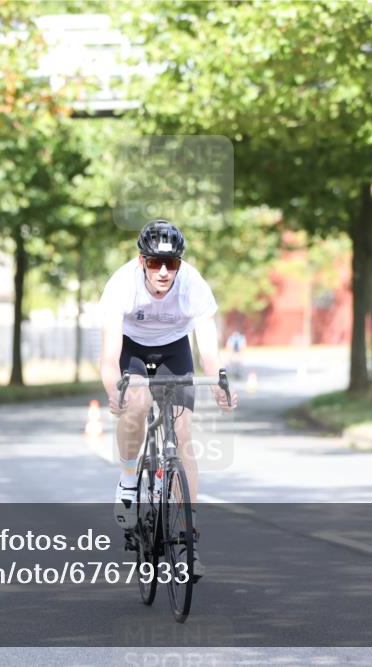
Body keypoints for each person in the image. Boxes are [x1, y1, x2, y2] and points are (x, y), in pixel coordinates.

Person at [99, 219, 238, 579]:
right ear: (141, 261)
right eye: (155, 263)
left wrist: (219, 385)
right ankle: (128, 481)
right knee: (138, 403)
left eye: (171, 263)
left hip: (174, 349)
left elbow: (208, 350)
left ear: (180, 264)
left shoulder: (193, 285)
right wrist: (115, 391)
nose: (163, 272)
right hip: (132, 347)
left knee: (184, 436)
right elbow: (109, 356)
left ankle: (188, 540)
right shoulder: (121, 286)